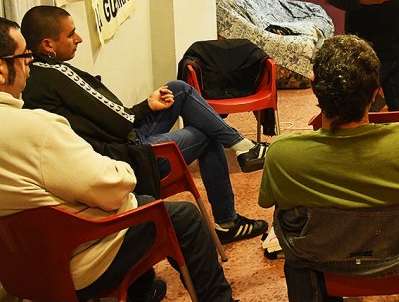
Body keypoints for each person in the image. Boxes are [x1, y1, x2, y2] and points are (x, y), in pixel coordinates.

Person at [0, 17, 235, 302]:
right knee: (178, 213)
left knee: (181, 94)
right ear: (2, 70)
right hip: (72, 260)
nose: (29, 64)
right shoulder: (37, 125)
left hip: (17, 269)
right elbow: (112, 186)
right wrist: (123, 168)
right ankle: (231, 200)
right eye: (24, 56)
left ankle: (144, 289)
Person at [19, 6, 268, 245]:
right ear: (48, 45)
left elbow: (110, 118)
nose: (79, 38)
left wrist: (146, 106)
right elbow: (120, 120)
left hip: (112, 145)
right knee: (207, 133)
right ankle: (228, 221)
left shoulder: (30, 82)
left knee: (178, 89)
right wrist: (144, 107)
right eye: (71, 34)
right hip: (125, 156)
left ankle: (243, 147)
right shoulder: (57, 75)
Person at [258, 35, 399, 302]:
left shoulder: (282, 155)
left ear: (314, 86)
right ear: (375, 92)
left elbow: (271, 203)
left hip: (323, 270)